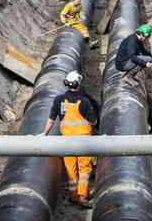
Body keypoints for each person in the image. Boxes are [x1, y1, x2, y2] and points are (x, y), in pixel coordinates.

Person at [42, 71, 97, 209]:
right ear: (78, 84)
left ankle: (73, 196)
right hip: (83, 142)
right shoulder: (84, 101)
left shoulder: (59, 100)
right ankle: (82, 197)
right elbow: (93, 121)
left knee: (70, 170)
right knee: (84, 169)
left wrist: (44, 134)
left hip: (66, 141)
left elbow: (51, 118)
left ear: (66, 83)